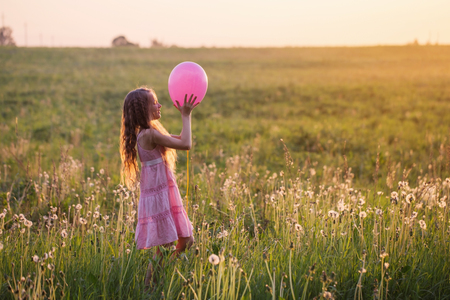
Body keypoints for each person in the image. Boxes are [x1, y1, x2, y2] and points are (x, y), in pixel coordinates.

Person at [119, 87, 198, 288]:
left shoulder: (151, 132)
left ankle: (158, 279)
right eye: (154, 102)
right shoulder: (148, 134)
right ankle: (149, 287)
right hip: (159, 194)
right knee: (165, 246)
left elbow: (180, 140)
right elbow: (187, 144)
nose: (159, 105)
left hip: (164, 191)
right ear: (143, 109)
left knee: (186, 241)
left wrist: (185, 117)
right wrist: (186, 116)